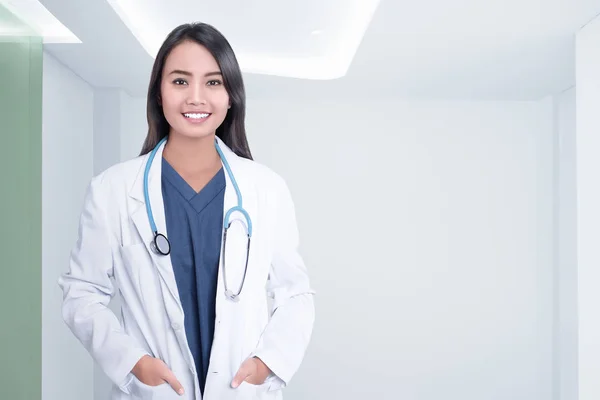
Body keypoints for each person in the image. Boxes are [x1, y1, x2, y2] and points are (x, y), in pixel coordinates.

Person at [58, 22, 315, 400]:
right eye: (180, 81)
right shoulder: (112, 190)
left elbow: (296, 295)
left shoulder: (266, 189)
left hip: (239, 390)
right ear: (159, 93)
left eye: (213, 82)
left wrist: (268, 364)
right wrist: (132, 362)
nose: (196, 97)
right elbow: (81, 293)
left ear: (231, 97)